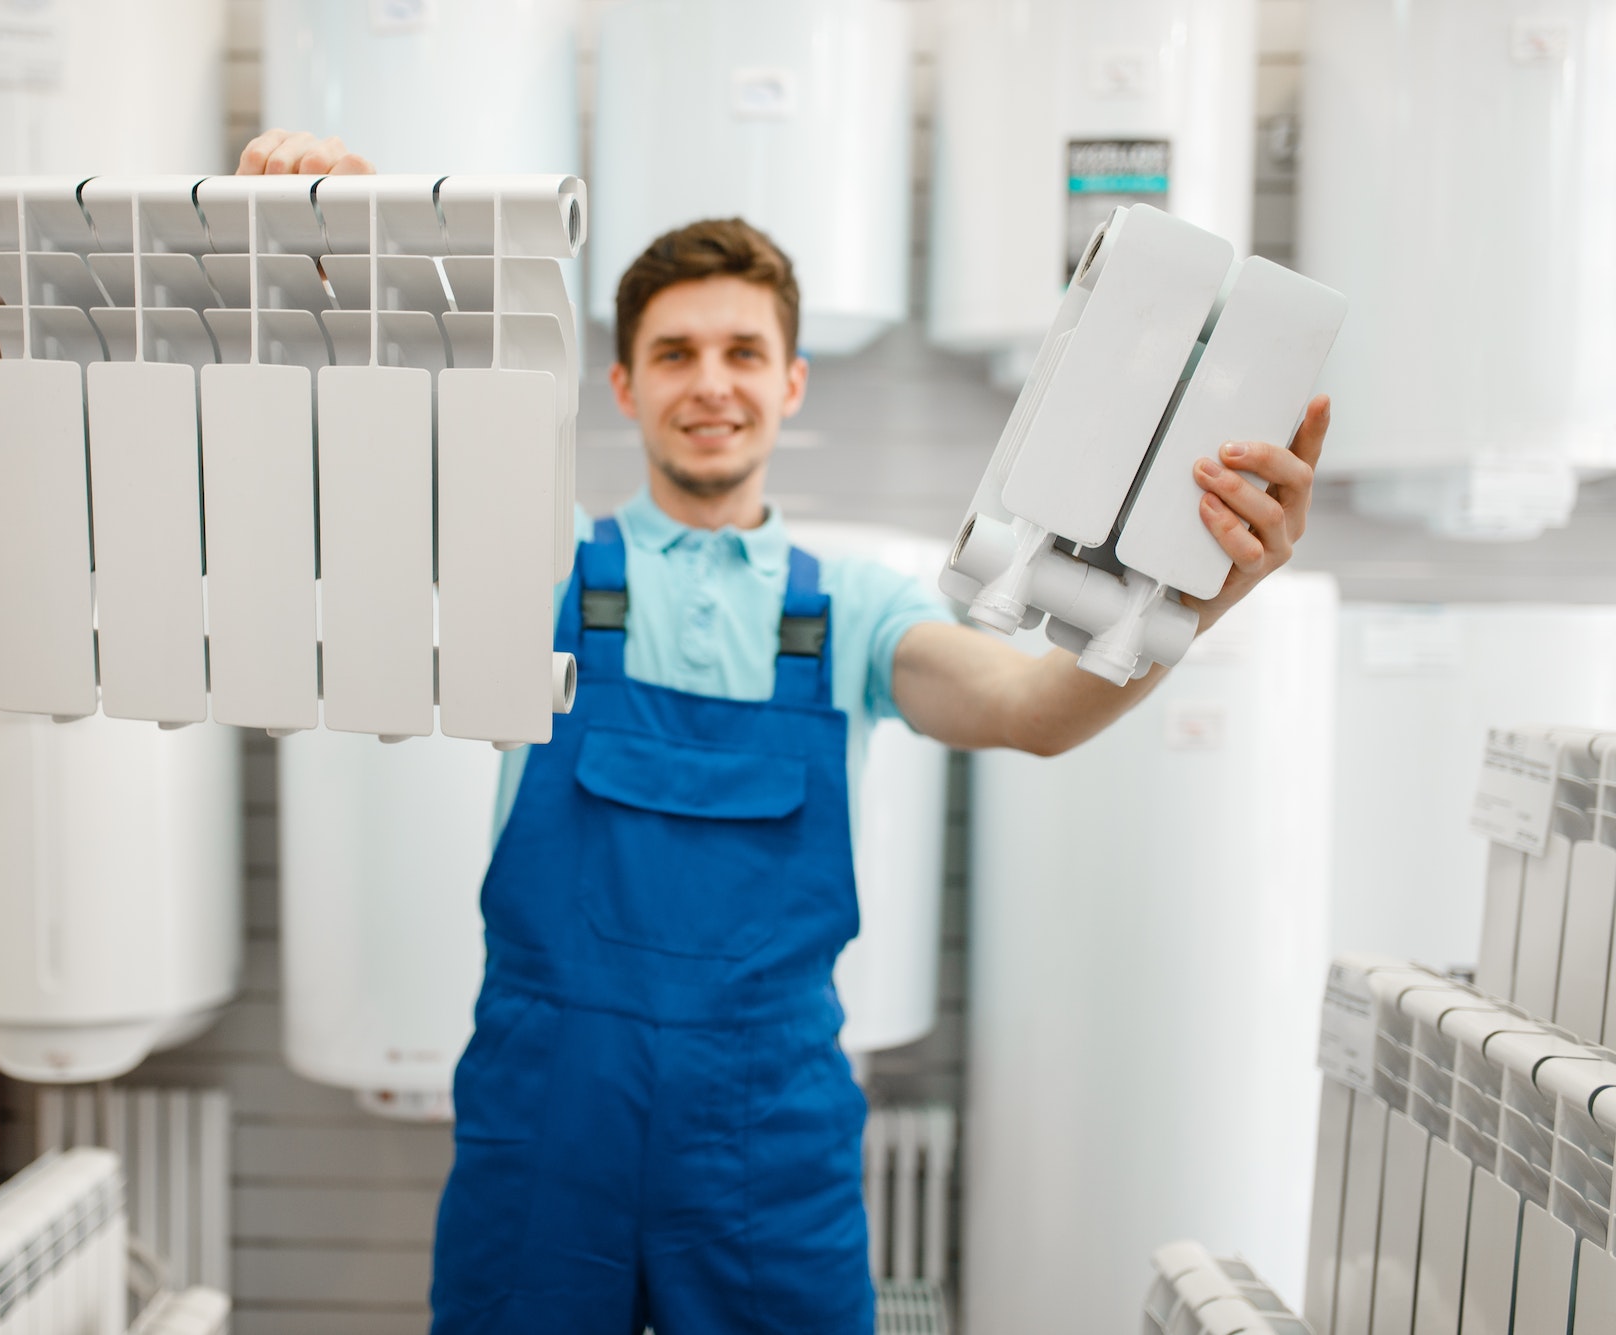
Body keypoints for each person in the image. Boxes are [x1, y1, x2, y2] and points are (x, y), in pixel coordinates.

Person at [239, 130, 1331, 1334]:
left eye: (742, 352)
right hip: (549, 1120)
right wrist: (341, 263)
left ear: (790, 381)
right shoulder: (540, 568)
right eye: (674, 354)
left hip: (762, 1143)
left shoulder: (850, 608)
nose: (711, 383)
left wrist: (1190, 601)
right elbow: (407, 455)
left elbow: (1026, 709)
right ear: (622, 387)